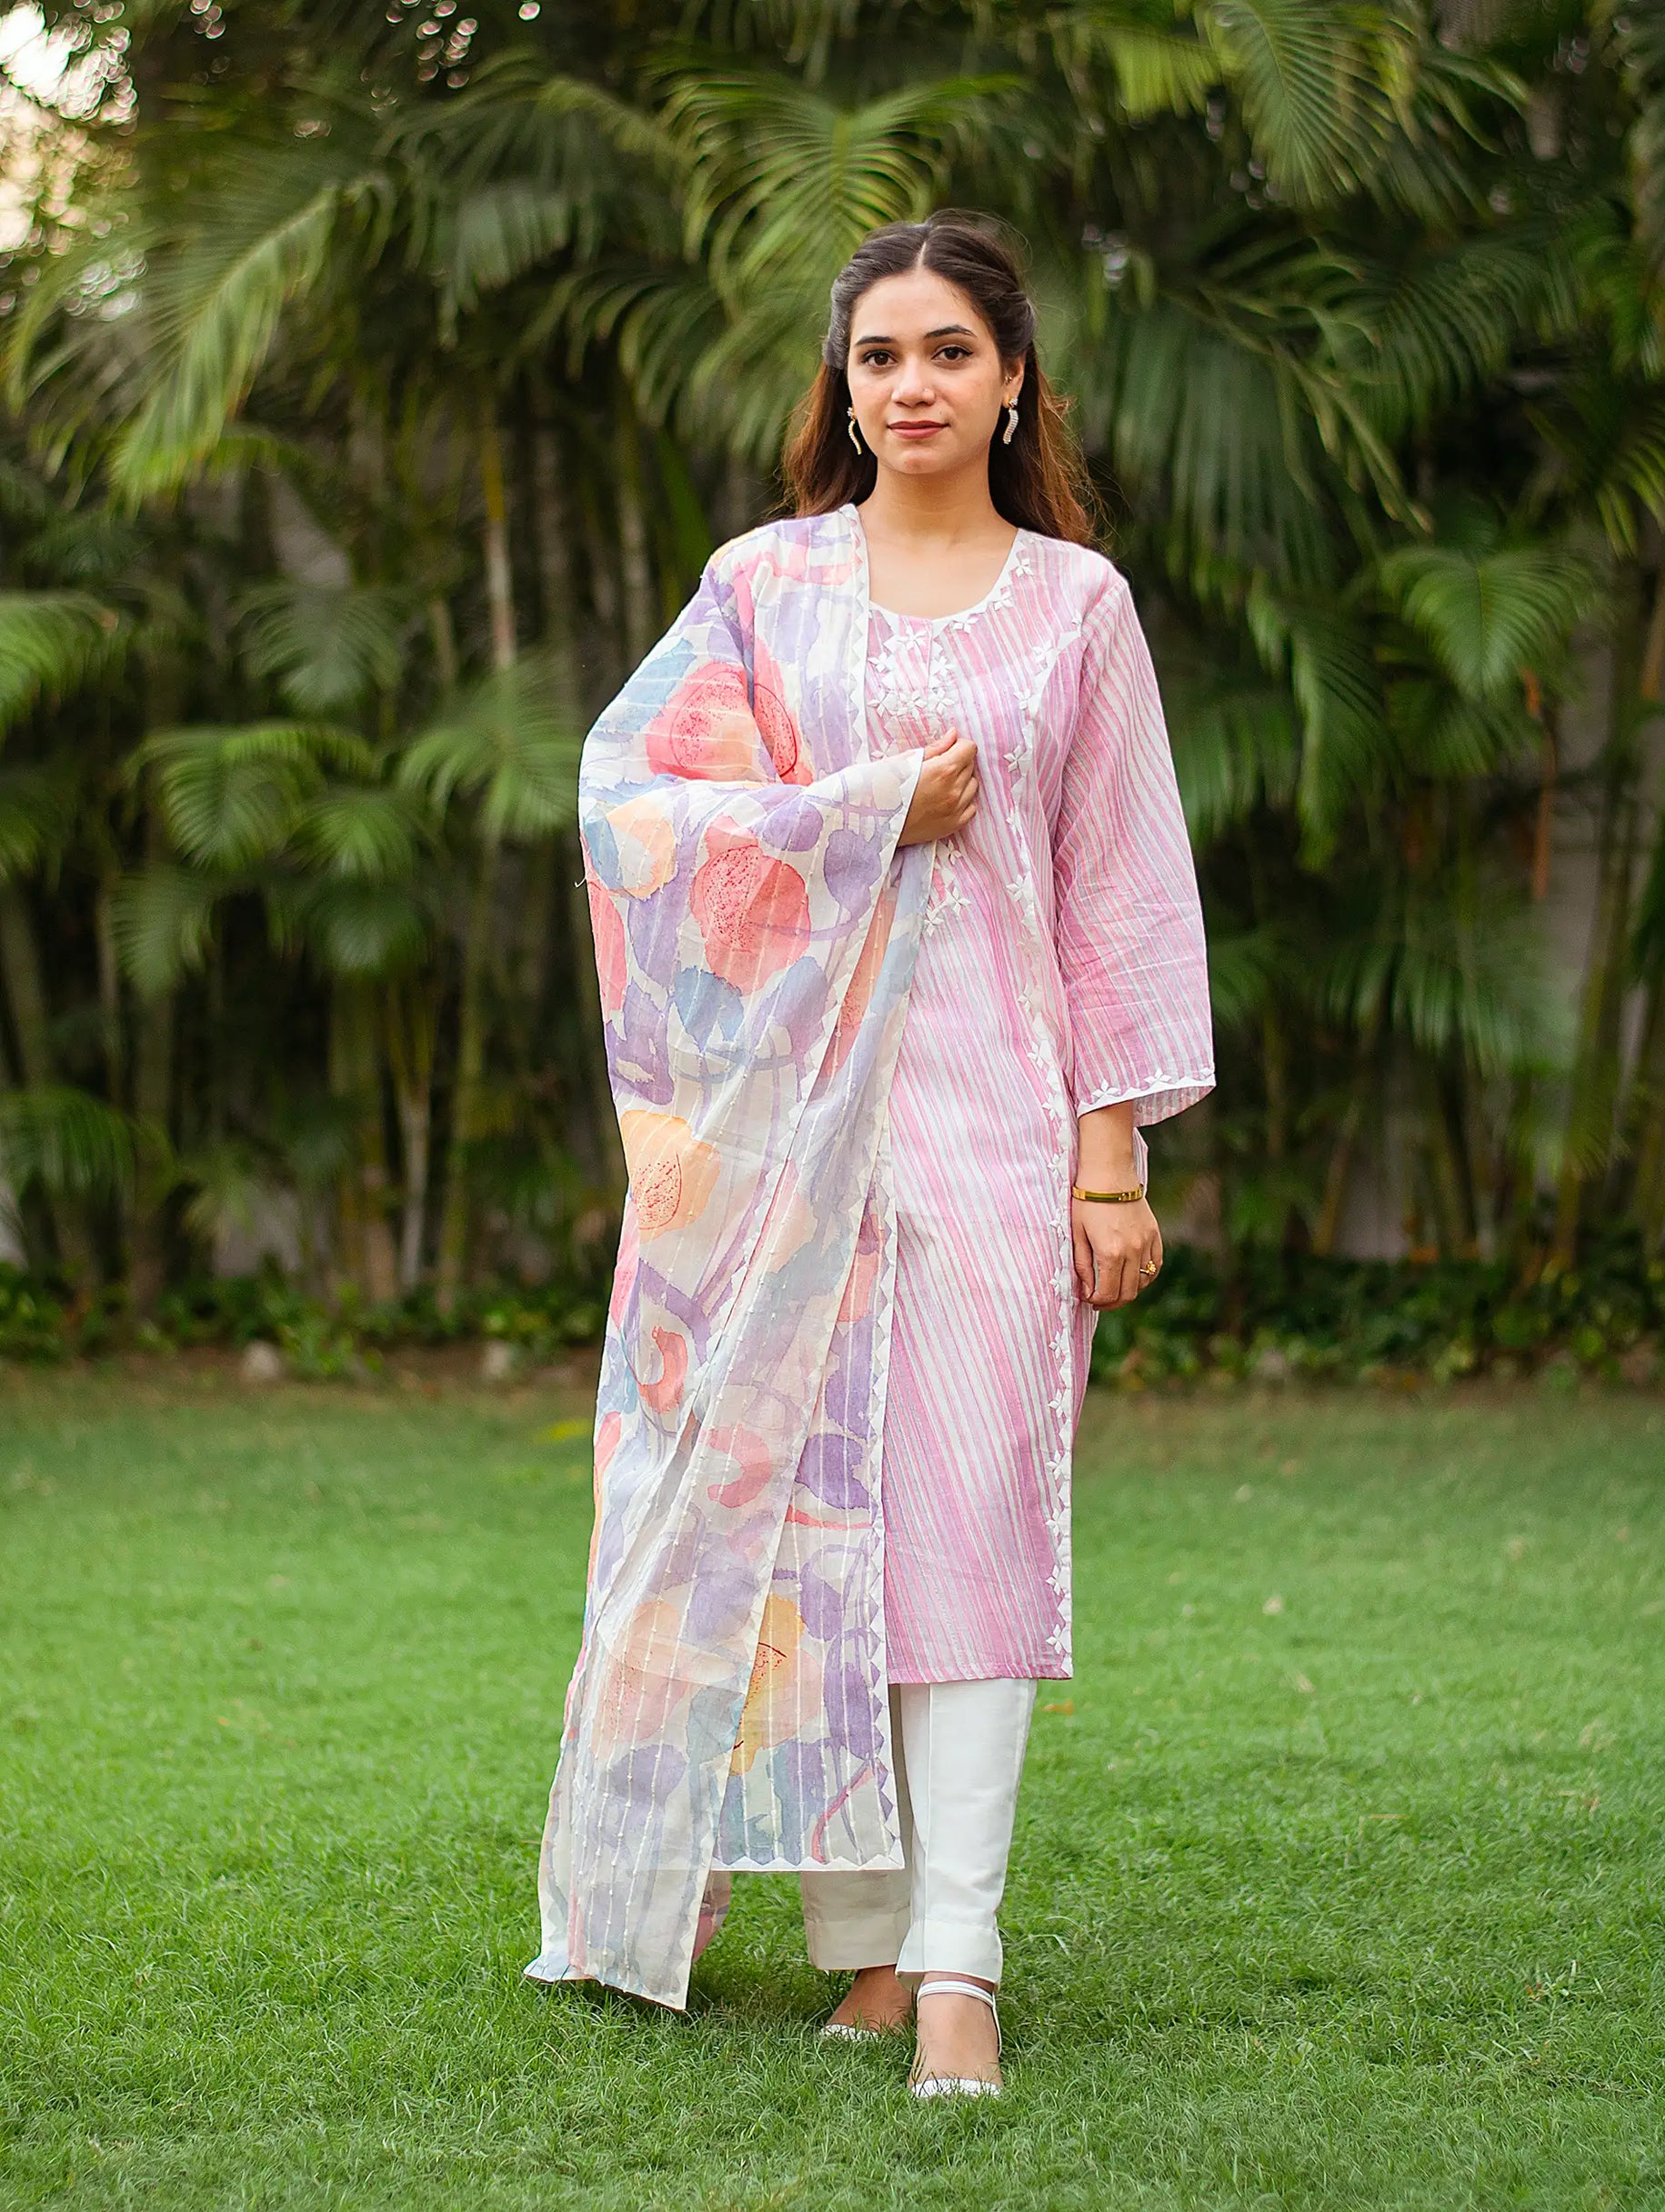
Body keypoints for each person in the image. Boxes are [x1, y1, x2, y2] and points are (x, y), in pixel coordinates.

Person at [527, 210, 1213, 2100]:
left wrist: (1111, 1161)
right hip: (785, 1142)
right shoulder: (762, 585)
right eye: (878, 355)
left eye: (948, 353)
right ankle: (867, 1951)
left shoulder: (1075, 609)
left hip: (996, 1128)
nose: (909, 383)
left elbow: (1119, 891)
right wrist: (864, 807)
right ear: (843, 384)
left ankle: (960, 1958)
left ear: (1013, 386)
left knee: (969, 1520)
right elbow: (633, 795)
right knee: (814, 1520)